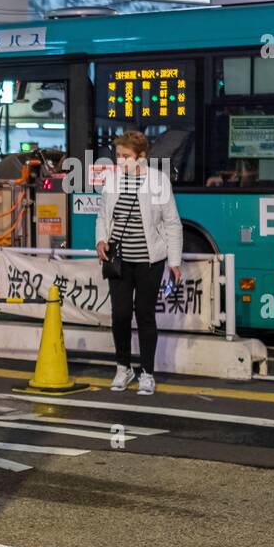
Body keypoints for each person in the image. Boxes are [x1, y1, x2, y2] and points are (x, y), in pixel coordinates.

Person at [95, 131, 182, 396]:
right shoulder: (111, 180)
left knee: (145, 315)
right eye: (118, 156)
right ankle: (123, 367)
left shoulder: (158, 182)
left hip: (149, 261)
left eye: (125, 156)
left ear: (141, 157)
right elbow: (102, 216)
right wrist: (100, 240)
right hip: (119, 260)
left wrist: (174, 261)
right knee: (120, 315)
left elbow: (172, 222)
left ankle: (147, 372)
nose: (120, 161)